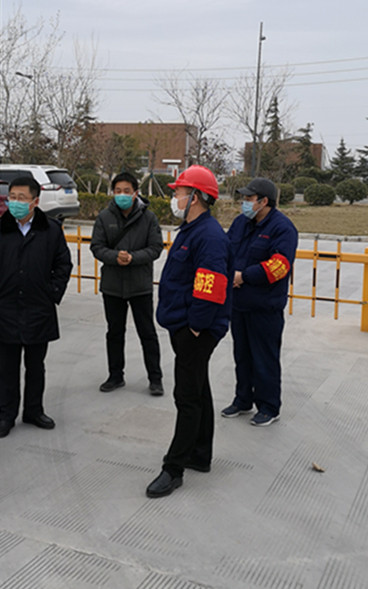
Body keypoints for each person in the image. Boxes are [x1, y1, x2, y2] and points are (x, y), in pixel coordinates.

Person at [146, 165, 231, 499]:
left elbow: (210, 287)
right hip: (186, 323)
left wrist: (196, 326)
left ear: (195, 197)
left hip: (195, 328)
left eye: (179, 192)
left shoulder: (209, 236)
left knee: (187, 396)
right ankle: (200, 453)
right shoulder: (192, 229)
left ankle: (174, 467)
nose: (175, 198)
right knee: (198, 388)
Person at [0, 176, 72, 438]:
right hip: (5, 308)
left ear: (35, 201)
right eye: (12, 197)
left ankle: (33, 410)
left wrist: (53, 293)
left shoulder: (51, 230)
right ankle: (6, 415)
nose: (15, 202)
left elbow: (63, 264)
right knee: (6, 367)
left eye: (22, 198)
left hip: (39, 307)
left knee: (36, 365)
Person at [221, 177, 298, 426]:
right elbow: (226, 250)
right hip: (239, 303)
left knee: (264, 358)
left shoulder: (283, 228)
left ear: (264, 202)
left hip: (265, 306)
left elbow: (280, 266)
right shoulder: (240, 223)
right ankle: (242, 399)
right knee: (242, 355)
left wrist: (243, 276)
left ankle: (268, 407)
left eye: (249, 198)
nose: (244, 203)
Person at [90, 172, 164, 396]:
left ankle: (155, 378)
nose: (122, 195)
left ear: (135, 193)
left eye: (126, 191)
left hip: (140, 285)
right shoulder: (104, 217)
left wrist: (133, 257)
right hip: (112, 286)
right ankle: (115, 375)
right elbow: (96, 247)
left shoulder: (148, 218)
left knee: (147, 333)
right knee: (114, 332)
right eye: (118, 191)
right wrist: (115, 257)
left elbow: (155, 248)